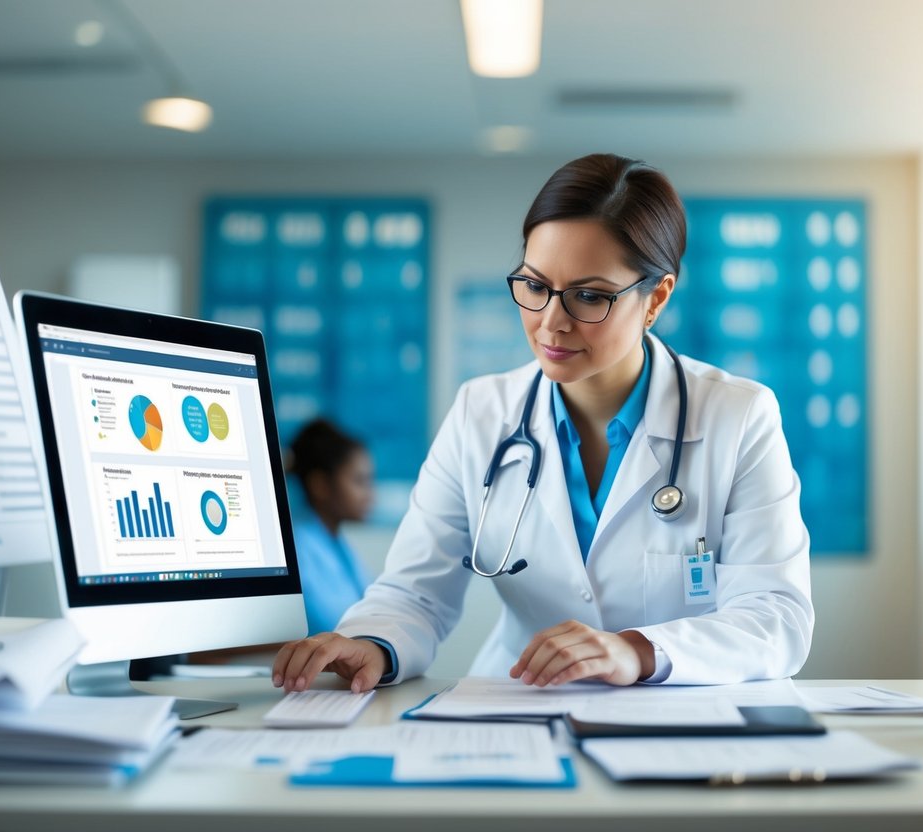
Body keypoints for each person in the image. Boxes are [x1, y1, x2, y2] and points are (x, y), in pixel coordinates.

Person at [273, 153, 813, 694]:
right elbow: (416, 593)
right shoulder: (480, 413)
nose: (551, 322)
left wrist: (637, 650)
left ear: (657, 299)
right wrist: (370, 643)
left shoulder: (738, 417)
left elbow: (776, 617)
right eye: (534, 286)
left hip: (672, 719)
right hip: (519, 711)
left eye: (588, 296)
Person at [287, 418, 376, 635]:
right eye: (359, 481)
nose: (370, 494)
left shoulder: (336, 542)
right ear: (321, 485)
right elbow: (332, 626)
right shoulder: (297, 547)